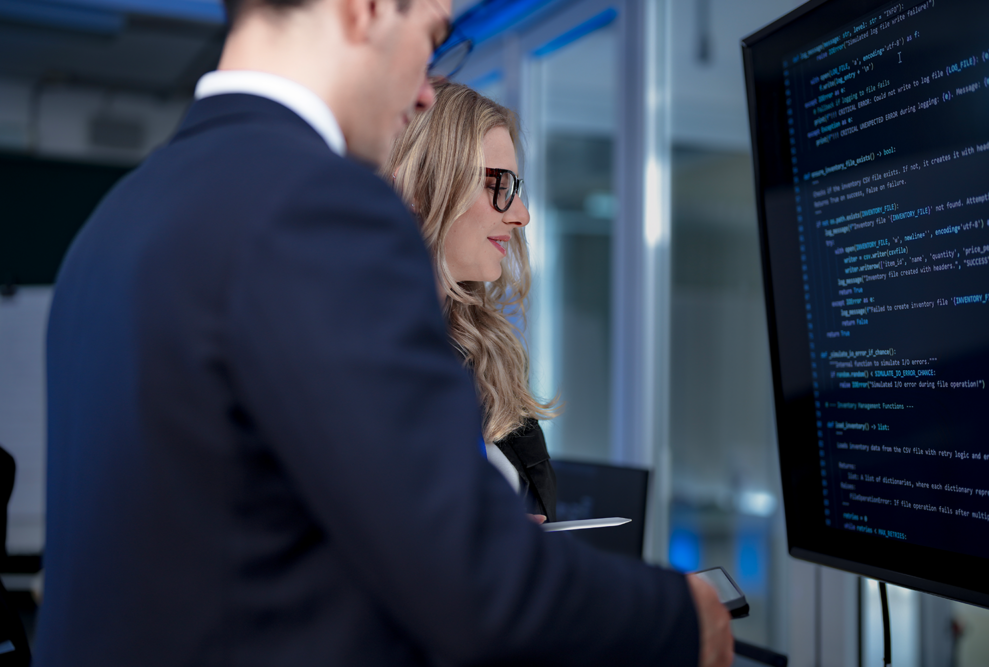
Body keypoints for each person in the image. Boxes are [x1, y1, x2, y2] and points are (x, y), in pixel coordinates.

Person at [35, 0, 734, 665]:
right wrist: (680, 615)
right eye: (431, 35)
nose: (427, 93)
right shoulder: (317, 206)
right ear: (365, 8)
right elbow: (473, 583)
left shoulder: (114, 221)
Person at [384, 81, 558, 522]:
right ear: (421, 185)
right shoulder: (349, 355)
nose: (521, 214)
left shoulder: (479, 355)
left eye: (516, 186)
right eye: (499, 184)